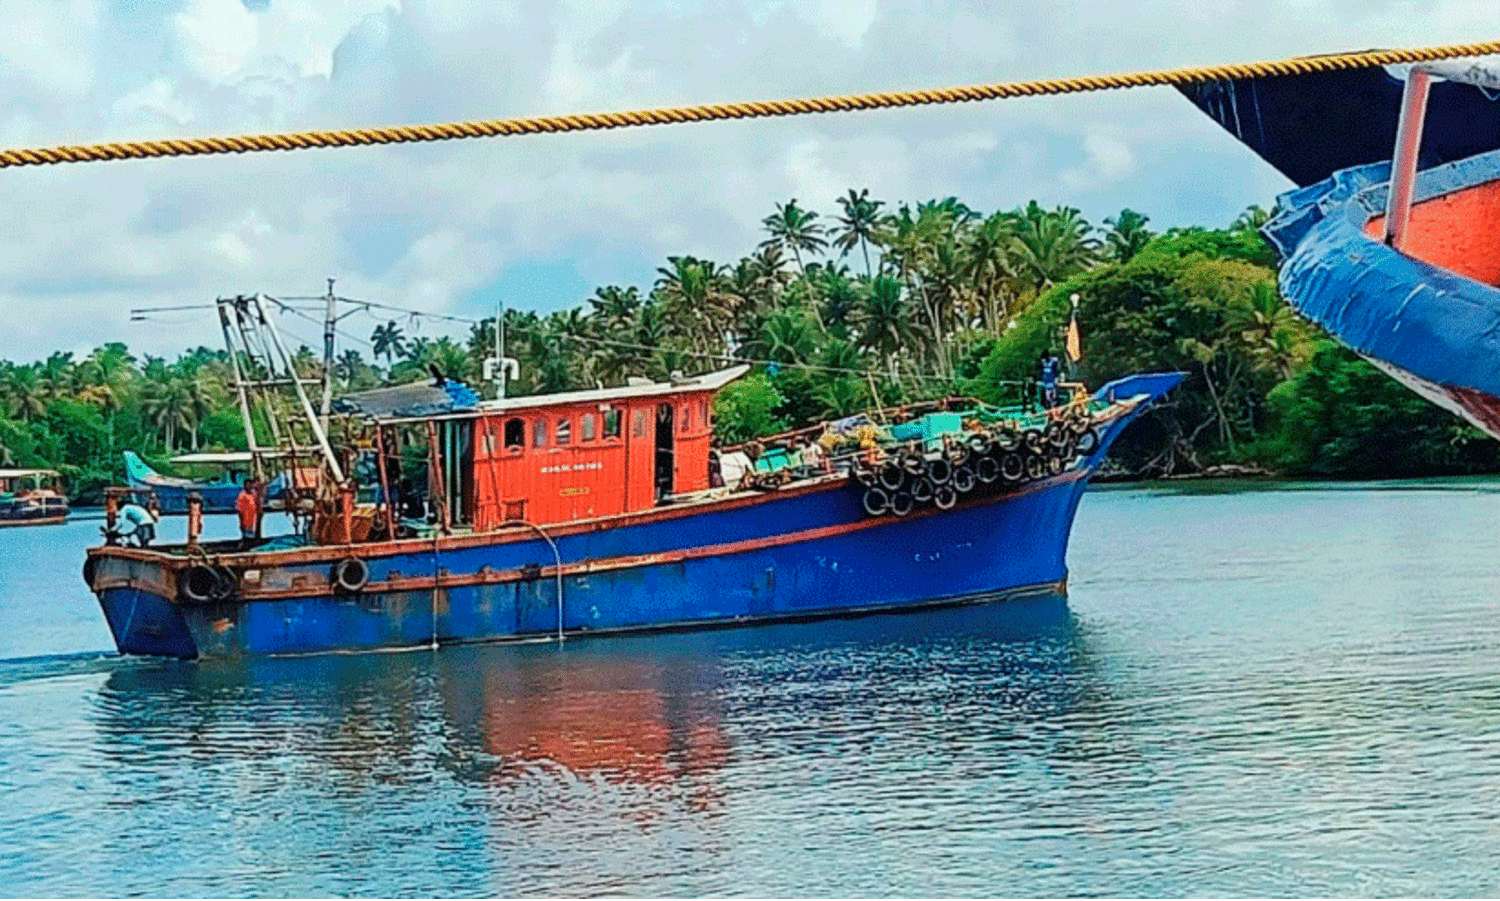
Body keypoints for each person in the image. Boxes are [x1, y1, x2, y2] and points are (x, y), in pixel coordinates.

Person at [236, 479, 262, 549]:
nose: (250, 486)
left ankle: (251, 547)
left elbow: (257, 505)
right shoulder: (242, 495)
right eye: (248, 484)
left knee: (252, 537)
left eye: (251, 484)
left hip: (253, 521)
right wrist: (242, 523)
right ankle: (243, 549)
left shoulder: (253, 494)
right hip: (246, 521)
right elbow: (239, 510)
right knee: (247, 538)